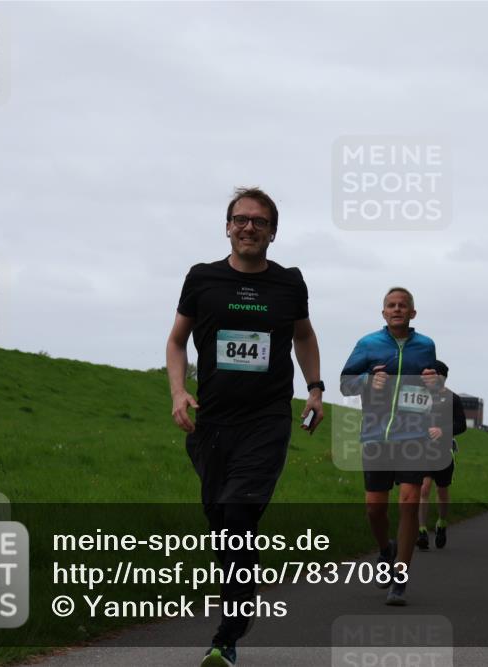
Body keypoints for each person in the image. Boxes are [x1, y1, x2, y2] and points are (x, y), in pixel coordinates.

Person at [166, 187, 324, 667]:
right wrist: (178, 391)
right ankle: (242, 594)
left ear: (273, 232)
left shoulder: (289, 283)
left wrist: (314, 388)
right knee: (222, 524)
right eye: (240, 219)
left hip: (267, 419)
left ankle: (227, 633)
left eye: (259, 221)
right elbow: (177, 341)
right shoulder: (202, 278)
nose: (249, 227)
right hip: (212, 421)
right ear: (228, 226)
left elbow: (304, 335)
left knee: (237, 513)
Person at [340, 287, 439, 606]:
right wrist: (369, 381)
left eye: (403, 306)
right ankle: (385, 550)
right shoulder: (368, 344)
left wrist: (433, 384)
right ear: (383, 312)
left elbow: (433, 387)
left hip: (413, 436)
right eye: (391, 305)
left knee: (409, 502)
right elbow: (345, 382)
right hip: (376, 436)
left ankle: (400, 578)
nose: (397, 309)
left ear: (413, 313)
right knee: (375, 508)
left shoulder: (426, 346)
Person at [417, 360, 467, 550]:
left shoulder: (453, 399)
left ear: (442, 377)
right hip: (422, 450)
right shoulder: (419, 396)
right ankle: (421, 530)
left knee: (442, 490)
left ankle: (441, 523)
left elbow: (461, 425)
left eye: (433, 375)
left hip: (443, 451)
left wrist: (443, 431)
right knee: (423, 488)